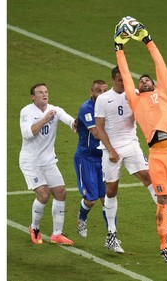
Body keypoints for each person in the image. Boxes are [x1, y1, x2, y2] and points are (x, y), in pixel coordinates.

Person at [114, 19, 167, 264]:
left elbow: (160, 65)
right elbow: (125, 74)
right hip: (157, 155)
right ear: (137, 87)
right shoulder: (136, 101)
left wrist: (147, 39)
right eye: (141, 81)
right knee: (162, 201)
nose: (144, 81)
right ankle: (163, 246)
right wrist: (119, 47)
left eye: (147, 80)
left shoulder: (163, 92)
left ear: (154, 83)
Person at [94, 66, 158, 254]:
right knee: (111, 190)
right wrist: (111, 150)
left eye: (126, 79)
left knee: (148, 177)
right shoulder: (103, 99)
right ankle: (111, 234)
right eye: (121, 80)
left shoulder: (136, 94)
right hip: (110, 149)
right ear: (114, 80)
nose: (124, 82)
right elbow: (99, 128)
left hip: (131, 144)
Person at [19, 82, 76, 246]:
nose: (44, 94)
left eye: (46, 91)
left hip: (49, 161)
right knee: (44, 194)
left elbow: (70, 121)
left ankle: (57, 234)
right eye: (39, 92)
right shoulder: (27, 112)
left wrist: (76, 125)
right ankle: (34, 228)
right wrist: (45, 119)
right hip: (31, 162)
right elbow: (28, 133)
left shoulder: (55, 110)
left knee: (60, 192)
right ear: (32, 97)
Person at [74, 80, 109, 238]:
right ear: (91, 92)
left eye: (104, 91)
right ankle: (82, 218)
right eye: (98, 91)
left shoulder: (109, 106)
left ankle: (112, 235)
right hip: (86, 158)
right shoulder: (87, 108)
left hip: (103, 159)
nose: (102, 94)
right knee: (91, 200)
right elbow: (95, 133)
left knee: (107, 199)